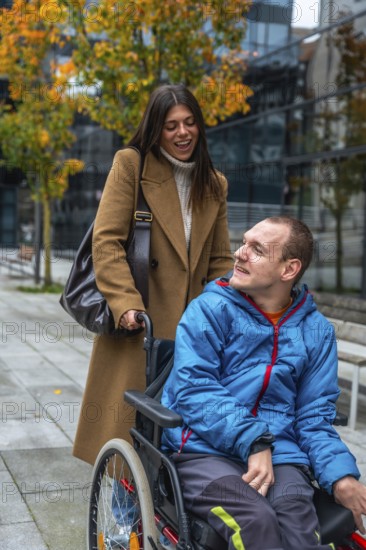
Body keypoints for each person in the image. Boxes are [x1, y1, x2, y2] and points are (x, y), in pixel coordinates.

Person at [161, 216, 366, 550]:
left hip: (282, 455)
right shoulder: (209, 310)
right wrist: (254, 441)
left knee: (299, 526)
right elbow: (193, 386)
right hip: (203, 449)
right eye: (244, 243)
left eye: (256, 249)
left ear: (289, 270)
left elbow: (314, 418)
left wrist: (340, 476)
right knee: (256, 521)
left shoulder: (317, 333)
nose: (240, 253)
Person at [72, 84, 233, 466]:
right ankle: (120, 525)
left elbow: (221, 261)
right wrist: (125, 303)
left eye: (190, 123)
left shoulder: (214, 183)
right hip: (139, 324)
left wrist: (229, 312)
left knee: (180, 440)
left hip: (194, 331)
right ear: (156, 129)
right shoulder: (132, 164)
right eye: (171, 125)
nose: (182, 133)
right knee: (130, 438)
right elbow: (107, 242)